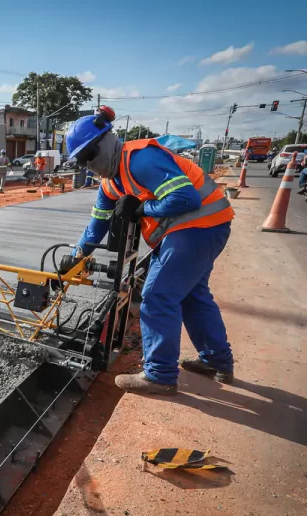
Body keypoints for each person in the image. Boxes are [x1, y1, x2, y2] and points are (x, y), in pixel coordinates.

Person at [67, 108, 235, 395]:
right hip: (201, 229)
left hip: (199, 226)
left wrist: (143, 208)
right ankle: (216, 361)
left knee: (157, 296)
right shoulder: (109, 184)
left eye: (90, 156)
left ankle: (160, 375)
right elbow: (98, 225)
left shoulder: (140, 158)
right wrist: (77, 254)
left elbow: (186, 198)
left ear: (106, 141)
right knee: (193, 296)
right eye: (83, 162)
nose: (89, 166)